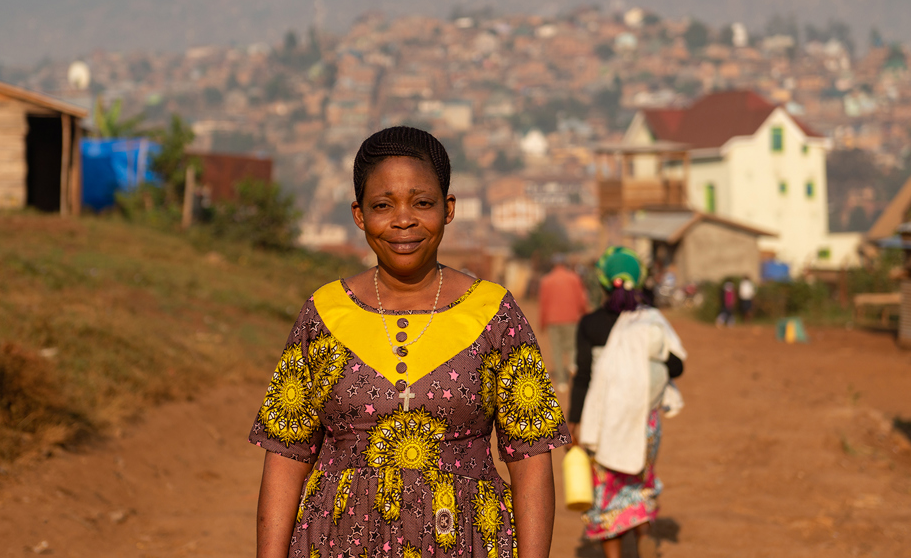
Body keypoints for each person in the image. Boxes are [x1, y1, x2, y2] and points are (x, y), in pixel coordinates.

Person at [252, 127, 569, 558]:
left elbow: (530, 459)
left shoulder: (494, 314)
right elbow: (286, 455)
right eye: (383, 205)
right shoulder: (323, 315)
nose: (403, 220)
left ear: (448, 208)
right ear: (359, 215)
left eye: (422, 203)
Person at [568, 247, 686, 558]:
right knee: (640, 487)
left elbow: (582, 376)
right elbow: (677, 366)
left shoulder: (590, 324)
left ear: (604, 284)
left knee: (606, 492)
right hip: (643, 424)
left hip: (601, 422)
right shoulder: (650, 322)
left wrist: (574, 421)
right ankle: (644, 549)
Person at [538, 254, 588, 393]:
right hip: (572, 317)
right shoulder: (574, 278)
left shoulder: (546, 280)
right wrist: (584, 313)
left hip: (553, 320)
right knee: (572, 346)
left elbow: (543, 303)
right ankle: (572, 364)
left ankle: (561, 381)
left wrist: (542, 322)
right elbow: (581, 299)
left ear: (553, 265)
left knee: (557, 350)